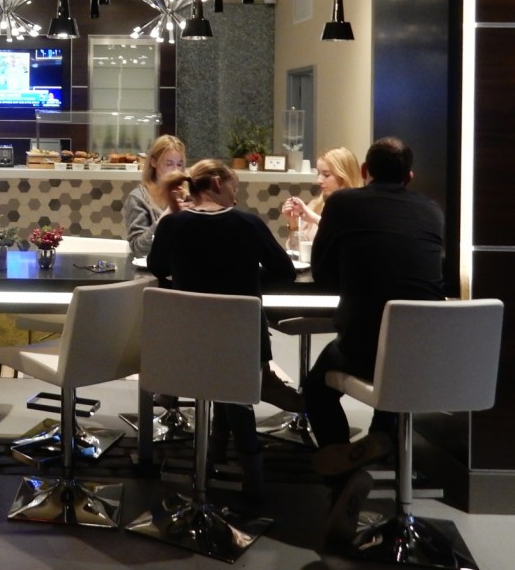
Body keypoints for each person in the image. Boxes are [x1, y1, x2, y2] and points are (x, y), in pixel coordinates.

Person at [303, 137, 445, 548]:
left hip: (364, 348)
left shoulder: (345, 204)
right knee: (395, 379)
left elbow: (323, 275)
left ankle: (341, 474)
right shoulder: (432, 211)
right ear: (410, 177)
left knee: (316, 386)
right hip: (431, 353)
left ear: (364, 172)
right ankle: (380, 440)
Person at [148, 159, 299, 501]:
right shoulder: (248, 224)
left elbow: (158, 267)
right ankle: (251, 473)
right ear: (216, 183)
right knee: (232, 381)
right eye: (235, 186)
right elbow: (285, 271)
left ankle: (214, 456)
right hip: (243, 345)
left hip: (185, 345)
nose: (236, 194)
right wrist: (248, 281)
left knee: (217, 375)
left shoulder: (173, 224)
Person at [123, 134, 189, 259]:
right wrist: (168, 214)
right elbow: (138, 249)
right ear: (154, 162)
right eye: (169, 164)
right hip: (151, 274)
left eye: (179, 164)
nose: (176, 171)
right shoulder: (138, 199)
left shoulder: (188, 197)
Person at [281, 146, 362, 242]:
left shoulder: (359, 209)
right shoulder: (315, 205)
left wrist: (314, 218)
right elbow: (298, 250)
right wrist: (293, 223)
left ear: (344, 176)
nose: (319, 180)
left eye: (326, 175)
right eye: (318, 174)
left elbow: (344, 237)